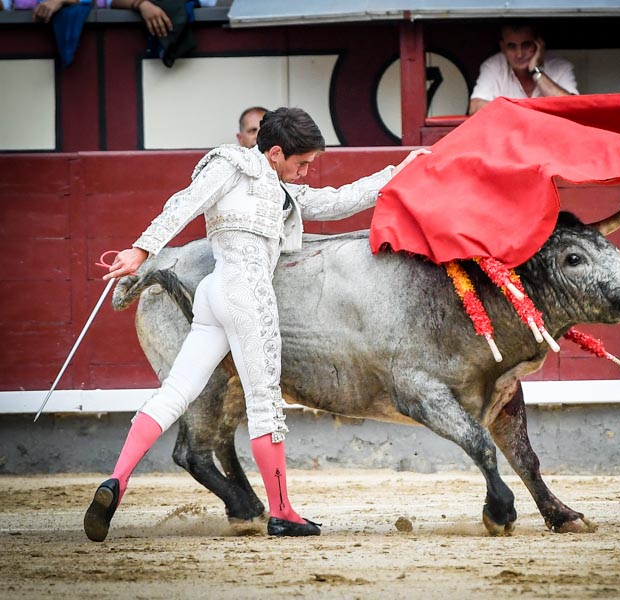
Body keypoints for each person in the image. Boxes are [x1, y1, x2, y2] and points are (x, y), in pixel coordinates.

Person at [83, 107, 429, 542]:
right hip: (248, 295)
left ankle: (116, 480)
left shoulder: (279, 190)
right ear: (276, 152)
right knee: (265, 404)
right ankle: (282, 512)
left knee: (175, 392)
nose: (305, 172)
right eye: (301, 163)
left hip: (213, 293)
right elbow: (185, 202)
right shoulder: (232, 164)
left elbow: (339, 200)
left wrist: (396, 172)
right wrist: (141, 249)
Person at [468, 20, 578, 116]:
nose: (519, 54)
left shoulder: (560, 66)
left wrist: (536, 71)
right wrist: (524, 113)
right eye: (512, 46)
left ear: (539, 44)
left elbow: (572, 109)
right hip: (508, 133)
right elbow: (475, 108)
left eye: (526, 45)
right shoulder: (493, 66)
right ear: (503, 47)